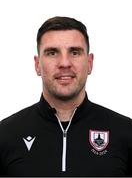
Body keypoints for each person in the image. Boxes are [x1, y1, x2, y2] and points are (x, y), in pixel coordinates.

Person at [0, 16, 132, 177]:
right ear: (37, 65)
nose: (64, 63)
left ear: (89, 63)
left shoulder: (126, 132)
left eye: (75, 52)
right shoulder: (5, 134)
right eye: (52, 53)